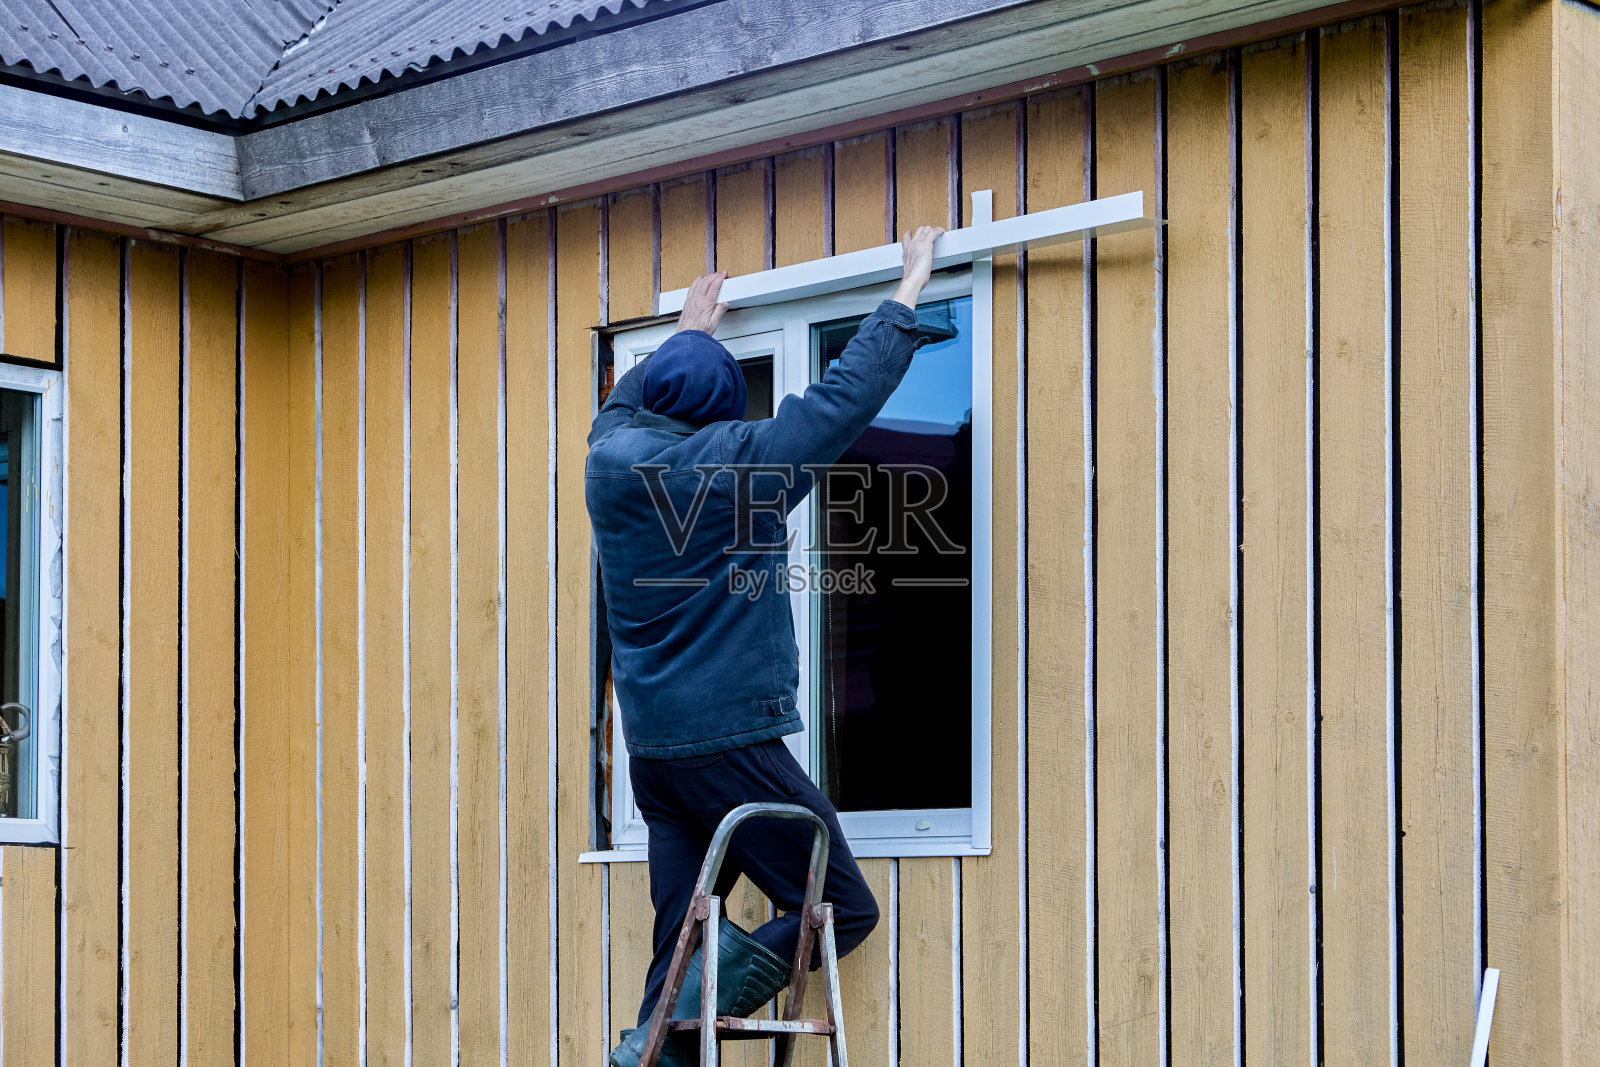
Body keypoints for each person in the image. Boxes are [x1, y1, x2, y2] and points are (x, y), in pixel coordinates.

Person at [588, 225, 946, 1066]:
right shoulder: (732, 467)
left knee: (681, 934)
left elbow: (622, 404)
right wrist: (907, 291)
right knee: (843, 908)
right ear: (717, 414)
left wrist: (686, 336)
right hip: (729, 745)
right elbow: (836, 406)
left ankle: (655, 1045)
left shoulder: (607, 460)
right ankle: (678, 1019)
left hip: (655, 760)